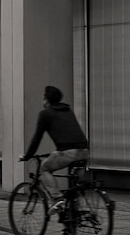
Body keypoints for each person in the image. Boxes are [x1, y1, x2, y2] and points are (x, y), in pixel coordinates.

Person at [19, 85, 89, 214]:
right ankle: (75, 216)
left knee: (44, 168)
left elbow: (37, 138)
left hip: (68, 152)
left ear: (46, 99)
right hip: (84, 151)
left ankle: (57, 198)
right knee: (76, 186)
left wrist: (27, 155)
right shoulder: (67, 110)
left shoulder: (45, 114)